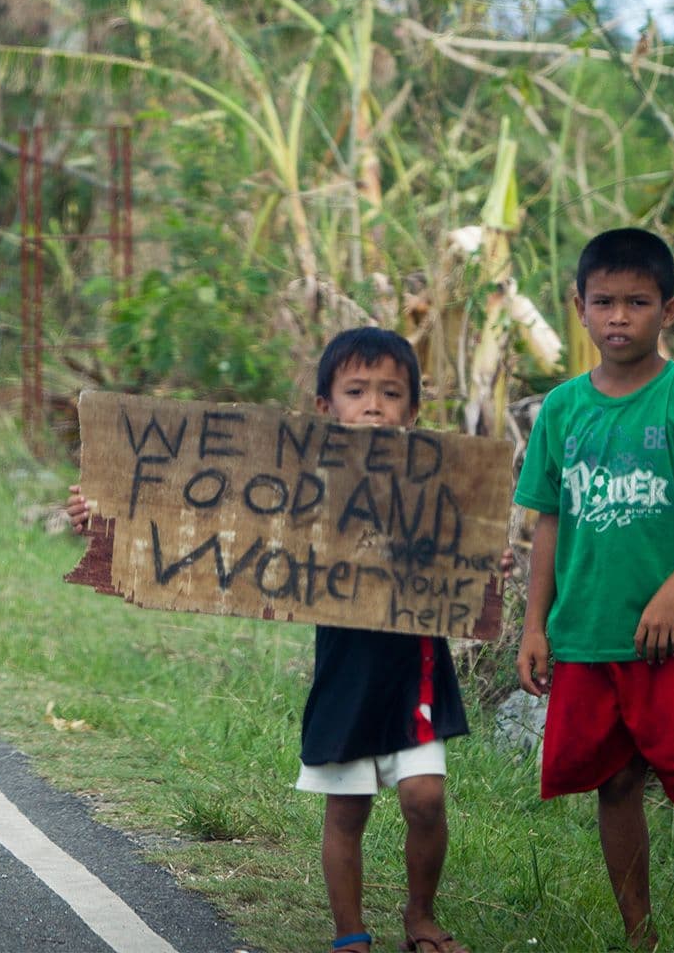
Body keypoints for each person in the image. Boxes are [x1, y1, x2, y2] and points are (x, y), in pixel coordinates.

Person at [68, 328, 470, 953]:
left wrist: (483, 571)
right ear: (323, 408)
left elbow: (470, 547)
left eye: (390, 394)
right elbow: (205, 509)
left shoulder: (436, 483)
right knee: (348, 809)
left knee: (425, 799)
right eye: (356, 391)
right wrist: (110, 506)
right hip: (344, 676)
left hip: (415, 670)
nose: (373, 405)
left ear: (413, 410)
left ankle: (420, 918)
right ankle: (350, 935)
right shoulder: (297, 483)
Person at [513, 228, 674, 953]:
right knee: (614, 785)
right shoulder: (561, 410)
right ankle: (638, 934)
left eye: (637, 302)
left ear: (668, 310)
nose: (619, 317)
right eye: (604, 302)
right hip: (586, 634)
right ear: (577, 307)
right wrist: (535, 625)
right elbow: (548, 520)